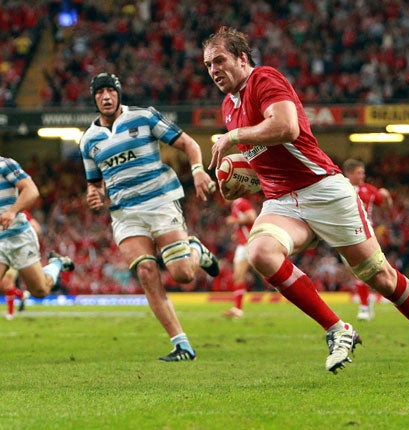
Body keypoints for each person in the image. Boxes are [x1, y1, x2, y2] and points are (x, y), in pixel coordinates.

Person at [203, 26, 409, 385]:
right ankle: (337, 328)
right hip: (283, 201)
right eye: (207, 65)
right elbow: (263, 160)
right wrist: (234, 181)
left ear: (241, 58)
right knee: (261, 254)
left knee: (384, 279)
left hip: (324, 191)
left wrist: (234, 137)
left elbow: (286, 128)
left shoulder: (265, 79)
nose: (213, 69)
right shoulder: (228, 106)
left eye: (219, 60)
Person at [79, 72, 220, 362]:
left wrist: (197, 171)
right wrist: (93, 194)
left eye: (110, 91)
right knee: (145, 271)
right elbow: (94, 184)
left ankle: (196, 250)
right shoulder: (88, 141)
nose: (106, 97)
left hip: (160, 204)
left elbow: (190, 145)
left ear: (119, 94)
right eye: (100, 92)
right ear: (94, 98)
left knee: (183, 274)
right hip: (125, 214)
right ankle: (182, 344)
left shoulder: (144, 118)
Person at [0, 156, 75, 319]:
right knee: (5, 285)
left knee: (40, 290)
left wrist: (12, 211)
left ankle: (57, 263)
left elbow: (31, 191)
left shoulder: (5, 165)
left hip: (18, 237)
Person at [342, 158, 393, 321]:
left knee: (362, 270)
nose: (362, 175)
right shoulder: (339, 188)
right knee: (355, 272)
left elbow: (385, 205)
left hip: (365, 233)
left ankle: (363, 306)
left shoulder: (369, 190)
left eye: (363, 172)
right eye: (359, 172)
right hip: (343, 233)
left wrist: (387, 197)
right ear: (349, 173)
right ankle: (366, 300)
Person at [223, 197, 258, 318]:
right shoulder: (235, 206)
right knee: (238, 276)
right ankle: (238, 309)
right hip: (242, 245)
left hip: (250, 243)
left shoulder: (241, 202)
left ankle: (294, 296)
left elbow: (252, 217)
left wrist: (234, 220)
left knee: (269, 274)